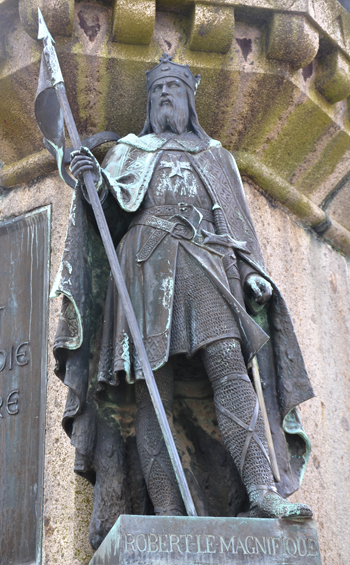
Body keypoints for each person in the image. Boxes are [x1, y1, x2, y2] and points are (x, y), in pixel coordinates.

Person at [54, 53, 314, 546]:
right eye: (157, 90)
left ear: (189, 97)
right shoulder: (130, 150)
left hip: (208, 267)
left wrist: (253, 273)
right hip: (146, 269)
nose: (165, 95)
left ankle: (261, 488)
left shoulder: (216, 155)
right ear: (149, 102)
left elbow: (237, 227)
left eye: (174, 87)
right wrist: (92, 183)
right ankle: (167, 510)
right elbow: (107, 221)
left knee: (230, 370)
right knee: (156, 389)